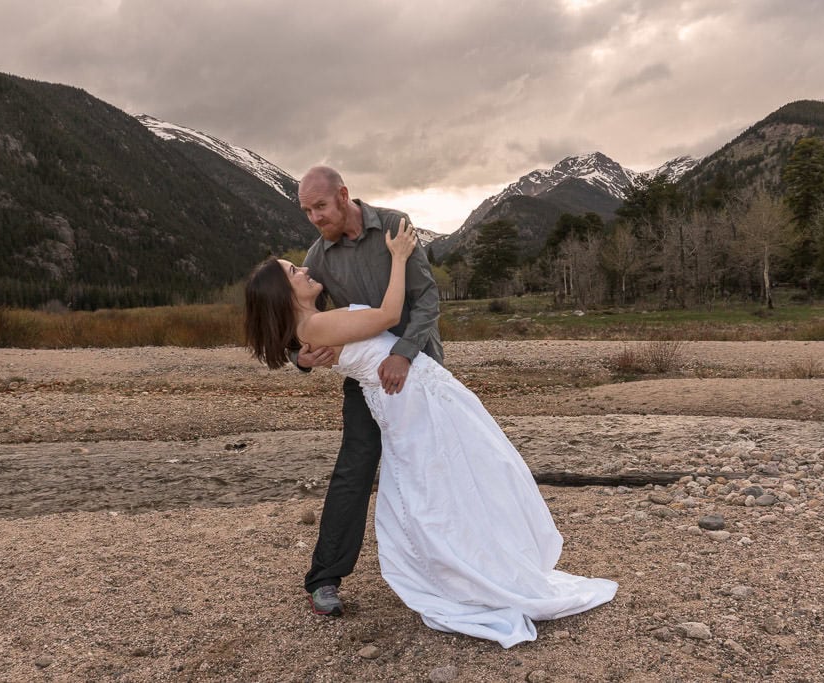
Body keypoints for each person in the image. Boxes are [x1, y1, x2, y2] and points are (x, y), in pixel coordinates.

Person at [244, 221, 618, 648]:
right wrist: (399, 259)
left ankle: (471, 560)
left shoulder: (379, 228)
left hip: (412, 383)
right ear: (283, 293)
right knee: (430, 476)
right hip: (404, 395)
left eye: (319, 207)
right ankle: (391, 572)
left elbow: (417, 305)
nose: (305, 269)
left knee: (454, 473)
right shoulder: (318, 279)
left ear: (342, 197)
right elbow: (380, 318)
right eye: (294, 272)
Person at [287, 166, 443, 618]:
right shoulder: (317, 257)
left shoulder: (394, 225)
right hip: (366, 382)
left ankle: (444, 568)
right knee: (354, 470)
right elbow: (299, 322)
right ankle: (324, 579)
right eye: (306, 211)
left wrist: (404, 354)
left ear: (343, 195)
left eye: (320, 206)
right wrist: (299, 359)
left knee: (431, 467)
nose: (314, 218)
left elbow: (428, 299)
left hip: (421, 369)